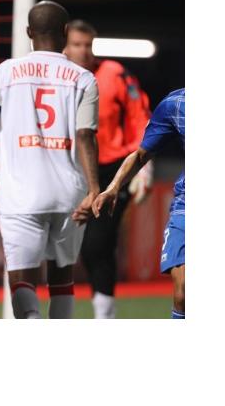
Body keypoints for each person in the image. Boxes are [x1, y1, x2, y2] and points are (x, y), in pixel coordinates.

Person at [0, 1, 101, 319]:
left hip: (21, 195)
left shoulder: (5, 73)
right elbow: (85, 136)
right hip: (69, 194)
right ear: (65, 33)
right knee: (62, 279)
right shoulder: (84, 79)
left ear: (29, 33)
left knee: (22, 279)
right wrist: (94, 189)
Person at [63, 20, 152, 319]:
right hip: (69, 170)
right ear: (65, 45)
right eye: (77, 44)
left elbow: (141, 115)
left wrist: (143, 169)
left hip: (113, 170)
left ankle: (105, 314)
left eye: (88, 45)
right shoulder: (57, 75)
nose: (84, 51)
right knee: (63, 248)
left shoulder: (114, 73)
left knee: (98, 243)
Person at [93, 88, 185, 319]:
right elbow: (142, 154)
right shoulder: (175, 103)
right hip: (187, 205)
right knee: (184, 290)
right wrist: (114, 187)